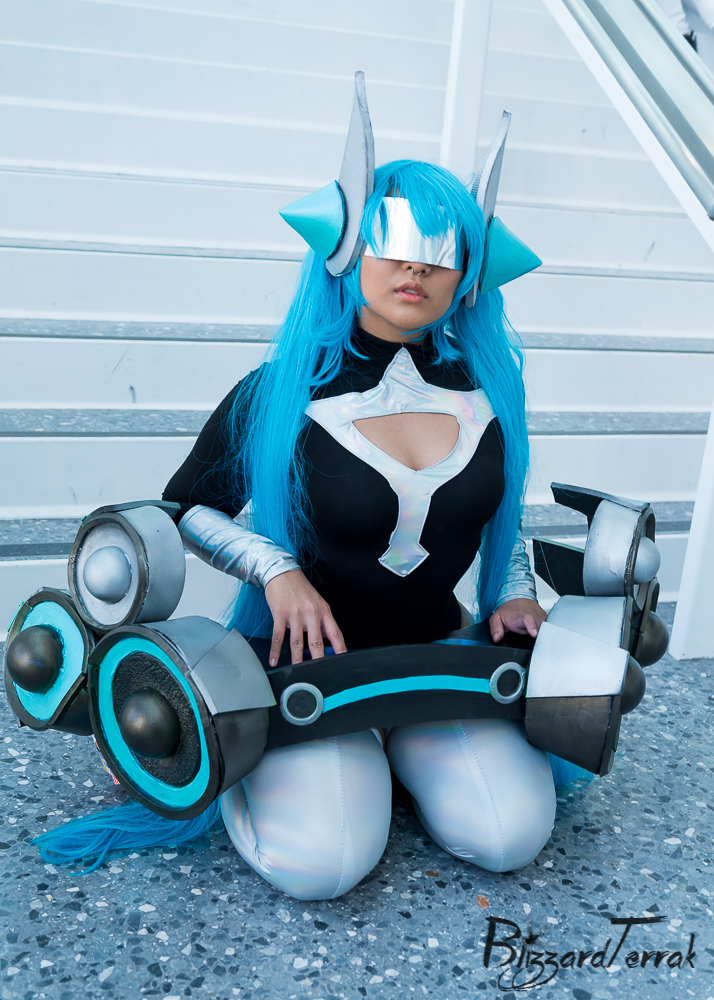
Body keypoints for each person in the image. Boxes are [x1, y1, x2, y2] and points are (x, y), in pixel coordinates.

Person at [160, 137, 559, 899]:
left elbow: (499, 516)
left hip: (440, 662)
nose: (415, 268)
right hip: (309, 668)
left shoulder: (490, 391)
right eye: (394, 243)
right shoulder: (278, 390)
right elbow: (185, 510)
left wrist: (515, 591)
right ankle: (257, 773)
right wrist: (274, 569)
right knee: (324, 865)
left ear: (469, 272)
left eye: (440, 252)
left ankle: (396, 751)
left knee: (509, 835)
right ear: (348, 248)